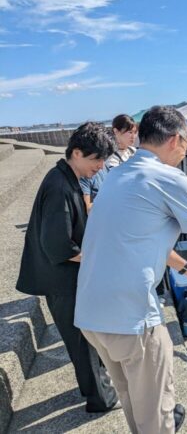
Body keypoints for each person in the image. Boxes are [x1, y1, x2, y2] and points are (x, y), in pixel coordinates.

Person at [75, 106, 187, 433]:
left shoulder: (116, 175)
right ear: (174, 139)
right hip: (132, 316)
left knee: (133, 402)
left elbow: (138, 238)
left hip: (90, 313)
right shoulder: (170, 178)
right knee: (157, 415)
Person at [16, 122, 118, 413]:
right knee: (82, 341)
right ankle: (100, 399)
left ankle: (97, 389)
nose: (100, 166)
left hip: (66, 277)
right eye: (96, 159)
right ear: (76, 152)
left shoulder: (67, 176)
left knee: (86, 338)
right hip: (61, 281)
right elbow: (58, 246)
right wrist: (97, 257)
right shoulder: (59, 186)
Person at [80, 114, 138, 212]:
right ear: (116, 131)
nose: (133, 136)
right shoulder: (109, 159)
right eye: (129, 132)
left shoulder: (134, 151)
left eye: (135, 132)